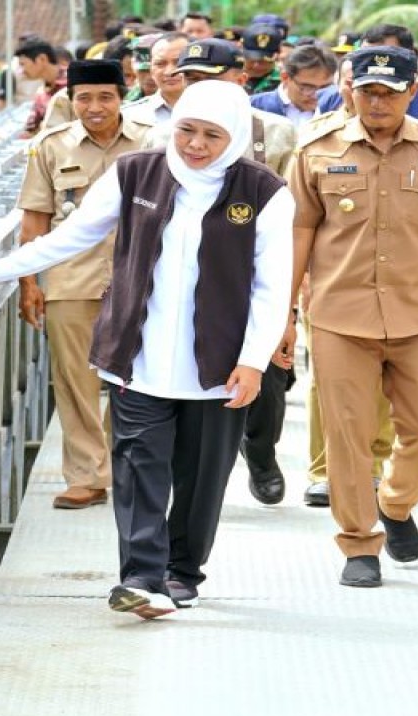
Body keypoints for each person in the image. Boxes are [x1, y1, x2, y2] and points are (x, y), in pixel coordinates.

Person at [0, 80, 294, 617]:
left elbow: (271, 287)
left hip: (218, 365)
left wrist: (252, 361)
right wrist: (0, 268)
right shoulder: (135, 173)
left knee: (201, 478)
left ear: (235, 137)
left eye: (211, 135)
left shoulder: (264, 192)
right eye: (187, 130)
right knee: (137, 468)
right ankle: (141, 577)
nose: (195, 144)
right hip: (138, 356)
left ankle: (182, 573)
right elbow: (75, 233)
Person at [288, 45, 418, 588]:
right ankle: (358, 542)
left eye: (390, 92)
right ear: (350, 90)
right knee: (347, 436)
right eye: (368, 91)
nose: (378, 102)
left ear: (412, 92)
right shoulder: (316, 151)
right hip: (339, 316)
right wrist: (284, 313)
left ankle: (394, 503)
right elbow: (298, 233)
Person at [146, 38, 297, 505]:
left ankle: (261, 452)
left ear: (240, 79)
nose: (196, 87)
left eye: (209, 78)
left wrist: (291, 305)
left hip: (254, 276)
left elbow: (297, 224)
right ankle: (192, 483)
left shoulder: (276, 134)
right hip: (187, 280)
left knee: (268, 376)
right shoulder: (162, 138)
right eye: (189, 78)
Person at [13, 60, 152, 510]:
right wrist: (28, 283)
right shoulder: (51, 147)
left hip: (142, 280)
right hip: (71, 279)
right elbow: (35, 221)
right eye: (84, 98)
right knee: (75, 382)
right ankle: (87, 476)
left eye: (105, 97)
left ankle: (122, 465)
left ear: (122, 97)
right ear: (70, 100)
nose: (95, 107)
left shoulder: (152, 142)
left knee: (135, 381)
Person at [249, 44, 337, 126]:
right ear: (285, 78)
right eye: (308, 87)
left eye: (325, 87)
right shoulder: (253, 107)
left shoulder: (336, 110)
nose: (316, 95)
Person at [124, 32, 188, 128]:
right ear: (151, 69)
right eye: (160, 63)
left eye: (178, 62)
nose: (169, 72)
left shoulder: (211, 108)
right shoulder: (128, 116)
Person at [16, 40, 67, 136]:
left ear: (42, 59)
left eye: (23, 64)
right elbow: (31, 128)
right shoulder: (41, 93)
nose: (21, 71)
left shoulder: (73, 84)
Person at [242, 24, 285, 95]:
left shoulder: (285, 83)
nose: (256, 66)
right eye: (252, 59)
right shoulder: (228, 78)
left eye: (263, 61)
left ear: (277, 55)